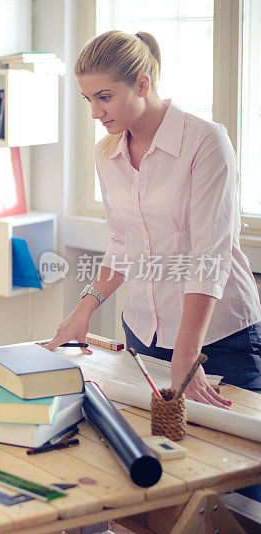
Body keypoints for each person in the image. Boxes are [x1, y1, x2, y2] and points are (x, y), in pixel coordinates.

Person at [46, 30, 261, 407]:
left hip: (217, 340)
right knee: (157, 448)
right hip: (143, 334)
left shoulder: (205, 141)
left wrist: (187, 349)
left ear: (142, 84)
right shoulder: (107, 152)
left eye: (105, 97)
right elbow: (122, 243)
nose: (95, 112)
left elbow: (210, 254)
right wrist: (84, 309)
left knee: (234, 454)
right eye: (88, 99)